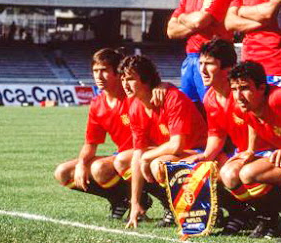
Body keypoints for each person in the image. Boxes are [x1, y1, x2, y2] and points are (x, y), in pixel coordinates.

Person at [181, 39, 272, 235]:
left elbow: (254, 123)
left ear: (227, 68)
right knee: (202, 168)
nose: (203, 70)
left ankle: (271, 216)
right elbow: (216, 134)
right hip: (242, 152)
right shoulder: (209, 97)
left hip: (267, 150)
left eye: (210, 64)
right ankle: (241, 213)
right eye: (201, 64)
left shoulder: (241, 93)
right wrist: (205, 156)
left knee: (231, 173)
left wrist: (250, 151)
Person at [119, 55, 207, 229]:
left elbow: (176, 145)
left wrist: (146, 157)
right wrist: (134, 202)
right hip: (175, 153)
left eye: (130, 79)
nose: (125, 84)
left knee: (157, 164)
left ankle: (223, 208)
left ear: (146, 79)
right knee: (125, 161)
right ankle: (170, 206)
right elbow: (138, 152)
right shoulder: (135, 106)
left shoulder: (171, 98)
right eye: (122, 79)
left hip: (199, 151)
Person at [222, 60, 281, 238]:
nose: (238, 95)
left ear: (261, 88)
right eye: (234, 89)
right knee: (236, 173)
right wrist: (250, 149)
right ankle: (275, 219)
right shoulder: (242, 107)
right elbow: (253, 120)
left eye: (244, 87)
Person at [53, 49, 136, 220]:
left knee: (100, 168)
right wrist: (82, 164)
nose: (99, 76)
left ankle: (140, 199)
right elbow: (91, 143)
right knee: (63, 172)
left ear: (117, 72)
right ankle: (119, 199)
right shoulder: (97, 104)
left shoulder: (133, 95)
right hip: (121, 156)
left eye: (104, 70)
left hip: (142, 153)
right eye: (95, 71)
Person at [167, 0, 236, 107]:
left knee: (216, 113)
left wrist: (182, 18)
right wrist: (190, 19)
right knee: (190, 116)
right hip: (189, 59)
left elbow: (200, 21)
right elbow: (170, 30)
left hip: (214, 60)